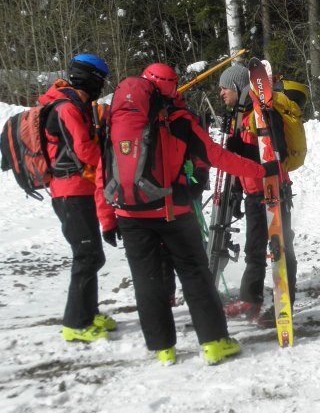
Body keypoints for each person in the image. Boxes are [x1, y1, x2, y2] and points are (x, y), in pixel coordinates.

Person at [98, 63, 278, 366]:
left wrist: (106, 216)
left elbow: (103, 171)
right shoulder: (180, 120)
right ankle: (214, 343)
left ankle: (163, 349)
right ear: (170, 87)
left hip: (128, 214)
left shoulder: (114, 118)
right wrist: (262, 170)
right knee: (196, 277)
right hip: (173, 212)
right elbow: (217, 157)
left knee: (147, 281)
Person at [218, 65, 308, 324]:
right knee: (253, 250)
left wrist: (242, 152)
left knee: (281, 250)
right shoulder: (241, 115)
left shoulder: (264, 113)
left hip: (274, 192)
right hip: (253, 194)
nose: (222, 92)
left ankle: (285, 305)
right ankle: (250, 299)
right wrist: (236, 191)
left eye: (225, 87)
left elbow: (273, 157)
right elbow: (238, 161)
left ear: (238, 87)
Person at [40, 54, 115, 343]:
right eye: (101, 79)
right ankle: (76, 324)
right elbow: (84, 150)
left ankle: (89, 312)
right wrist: (112, 163)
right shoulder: (67, 108)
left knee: (91, 254)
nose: (102, 85)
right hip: (69, 192)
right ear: (90, 78)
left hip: (78, 190)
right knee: (86, 256)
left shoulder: (76, 105)